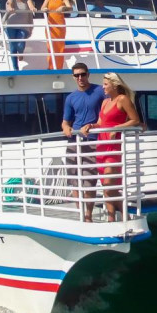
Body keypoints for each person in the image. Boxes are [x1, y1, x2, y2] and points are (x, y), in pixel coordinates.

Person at [79, 72, 140, 222]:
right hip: (101, 146)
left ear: (114, 85)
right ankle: (111, 219)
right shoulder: (105, 102)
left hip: (113, 147)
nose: (103, 87)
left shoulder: (123, 99)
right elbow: (101, 122)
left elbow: (135, 120)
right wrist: (91, 125)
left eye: (105, 84)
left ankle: (126, 215)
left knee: (109, 186)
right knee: (106, 188)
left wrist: (118, 128)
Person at [62, 63, 106, 222]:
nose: (80, 78)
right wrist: (66, 128)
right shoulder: (71, 97)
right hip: (74, 142)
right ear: (73, 77)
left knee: (89, 180)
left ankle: (88, 215)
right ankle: (81, 213)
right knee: (74, 179)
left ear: (88, 74)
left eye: (82, 74)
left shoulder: (100, 91)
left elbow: (107, 113)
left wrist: (94, 126)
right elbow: (65, 121)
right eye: (76, 75)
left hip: (92, 141)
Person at [4, 0, 36, 70]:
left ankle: (20, 53)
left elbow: (30, 5)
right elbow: (10, 4)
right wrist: (10, 8)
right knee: (13, 46)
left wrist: (33, 8)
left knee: (20, 45)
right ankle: (15, 68)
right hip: (10, 24)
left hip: (23, 26)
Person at [41, 0, 72, 70]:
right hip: (50, 25)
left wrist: (64, 8)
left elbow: (70, 8)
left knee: (59, 47)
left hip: (60, 25)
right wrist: (45, 9)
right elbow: (42, 8)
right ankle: (51, 67)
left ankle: (58, 67)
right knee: (50, 46)